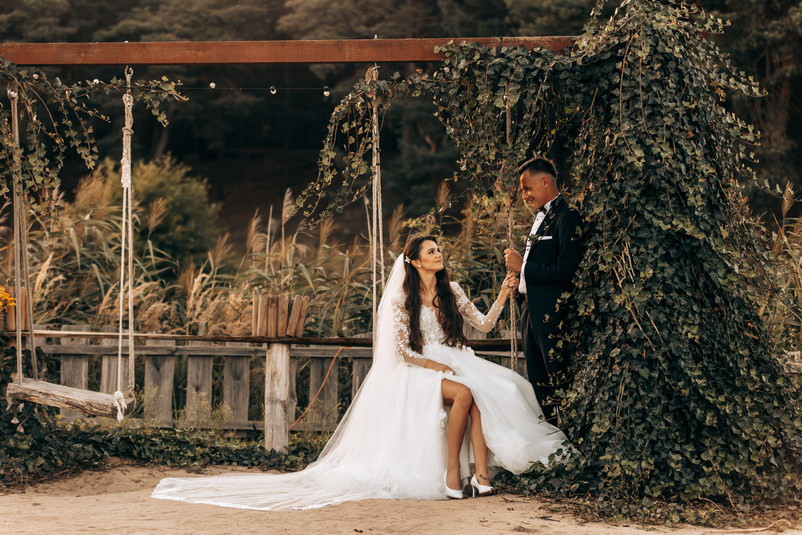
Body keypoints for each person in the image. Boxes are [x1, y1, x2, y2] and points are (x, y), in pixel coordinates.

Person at [152, 235, 568, 511]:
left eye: (439, 250)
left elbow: (485, 325)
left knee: (485, 393)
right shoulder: (401, 300)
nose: (439, 255)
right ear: (413, 261)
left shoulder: (452, 290)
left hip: (455, 359)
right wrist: (434, 364)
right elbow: (401, 352)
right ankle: (451, 474)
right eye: (431, 251)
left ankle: (479, 477)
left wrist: (502, 295)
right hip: (417, 369)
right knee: (464, 393)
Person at [504, 157, 584, 425]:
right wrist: (520, 284)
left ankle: (570, 438)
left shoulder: (567, 216)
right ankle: (552, 439)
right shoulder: (540, 218)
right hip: (529, 311)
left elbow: (566, 269)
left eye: (527, 188)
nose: (525, 196)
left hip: (552, 317)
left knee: (559, 383)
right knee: (539, 385)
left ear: (546, 181)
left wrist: (523, 266)